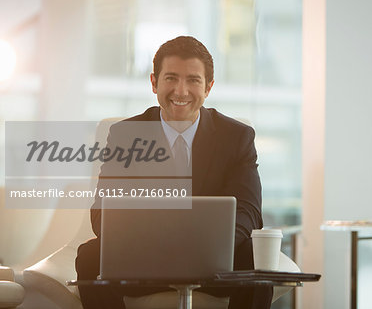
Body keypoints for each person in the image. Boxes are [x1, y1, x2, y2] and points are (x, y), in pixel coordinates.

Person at [75, 36, 273, 308]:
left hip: (214, 263)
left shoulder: (236, 137)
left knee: (254, 256)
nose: (181, 91)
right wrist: (154, 241)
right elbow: (101, 213)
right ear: (154, 82)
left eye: (193, 80)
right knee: (89, 256)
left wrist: (204, 246)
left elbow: (249, 212)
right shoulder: (125, 135)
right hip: (144, 261)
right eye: (171, 78)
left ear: (209, 87)